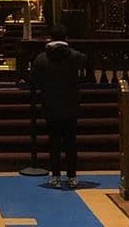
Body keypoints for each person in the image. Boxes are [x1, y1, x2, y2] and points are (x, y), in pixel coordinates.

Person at [29, 25, 87, 188]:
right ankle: (72, 176)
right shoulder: (75, 56)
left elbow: (35, 80)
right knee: (71, 142)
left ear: (50, 38)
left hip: (51, 104)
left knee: (53, 143)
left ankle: (55, 176)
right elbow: (87, 67)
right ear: (65, 38)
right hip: (71, 104)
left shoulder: (41, 58)